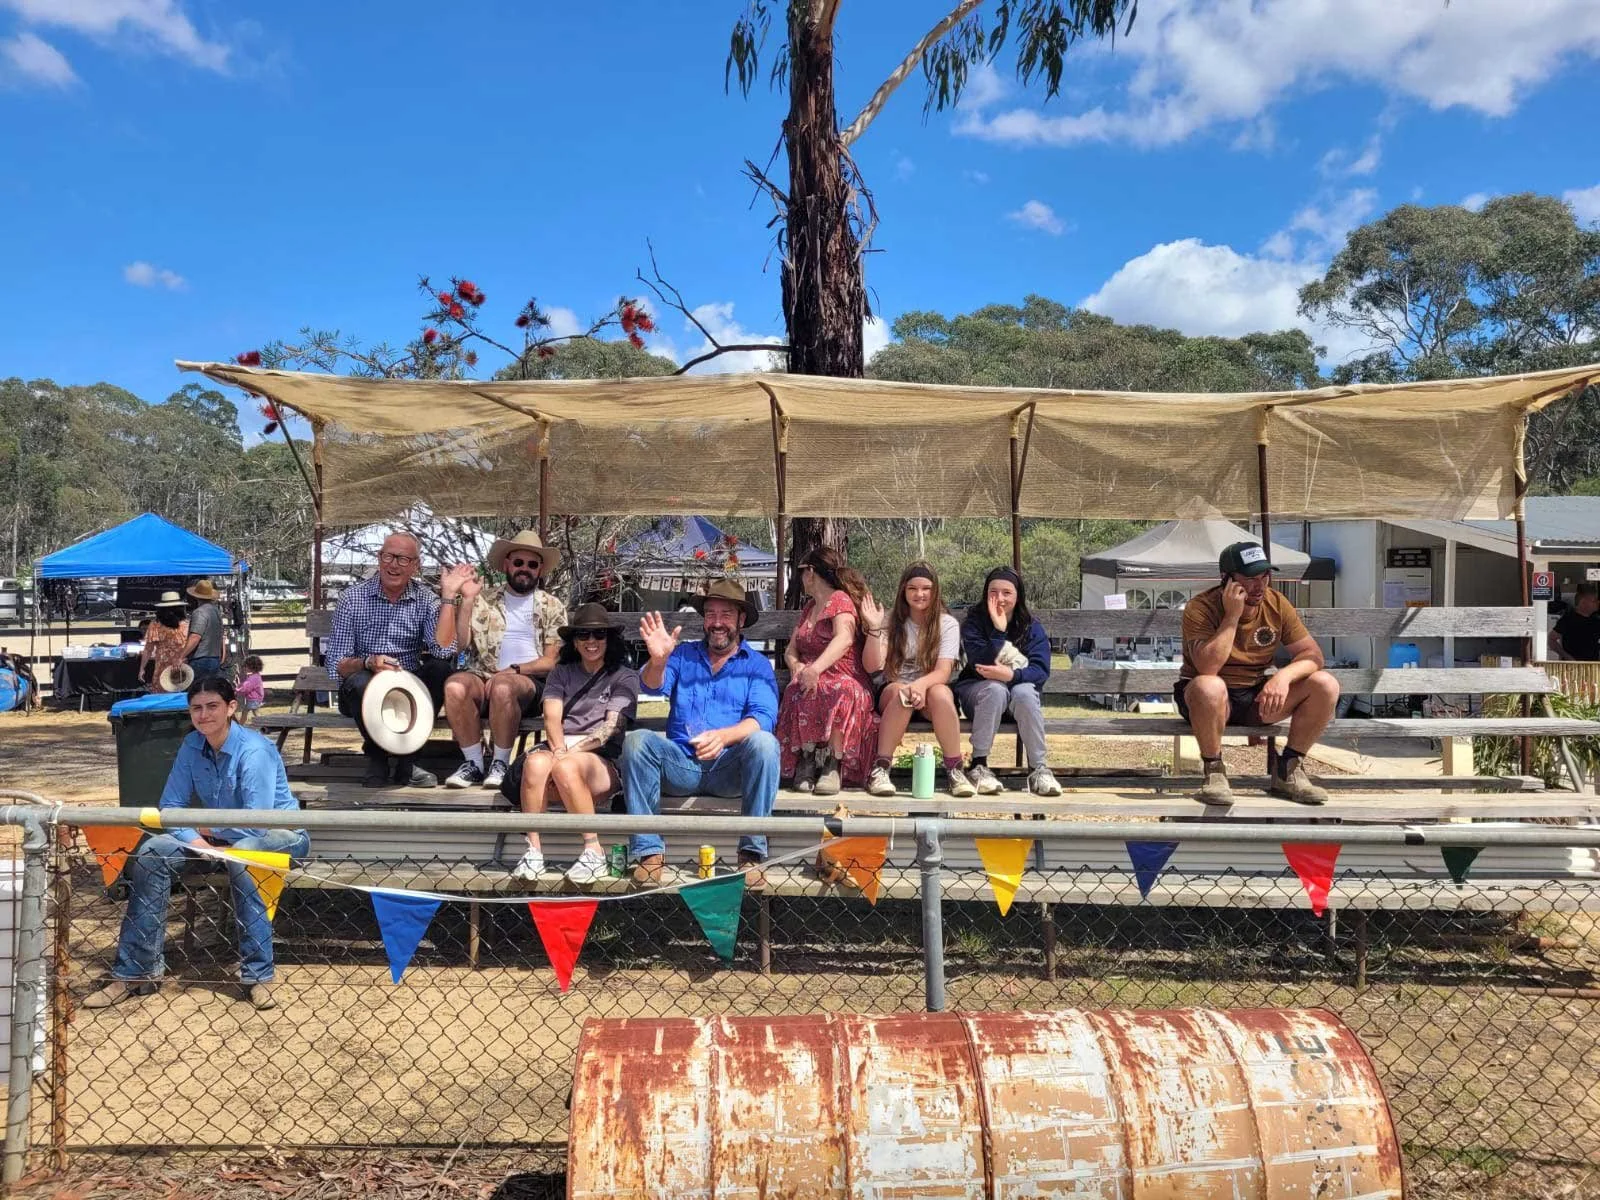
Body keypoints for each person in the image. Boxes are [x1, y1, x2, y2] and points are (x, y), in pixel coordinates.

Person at [83, 676, 309, 1012]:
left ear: (232, 707)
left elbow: (257, 822)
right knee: (151, 853)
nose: (204, 715)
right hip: (215, 840)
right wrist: (199, 840)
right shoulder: (191, 745)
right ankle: (135, 972)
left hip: (280, 837)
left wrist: (202, 828)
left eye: (212, 706)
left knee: (244, 853)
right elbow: (170, 808)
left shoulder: (255, 750)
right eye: (196, 708)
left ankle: (259, 975)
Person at [620, 580, 779, 889]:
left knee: (765, 744)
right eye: (710, 613)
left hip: (730, 768)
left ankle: (751, 853)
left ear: (741, 620)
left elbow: (763, 718)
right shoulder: (682, 656)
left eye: (726, 614)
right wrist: (658, 660)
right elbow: (652, 689)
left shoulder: (757, 665)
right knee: (636, 741)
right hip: (683, 765)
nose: (717, 622)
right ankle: (649, 852)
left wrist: (723, 737)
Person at [1175, 541, 1340, 807]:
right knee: (1209, 686)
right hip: (1205, 699)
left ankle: (1288, 769)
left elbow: (1313, 656)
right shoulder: (1200, 607)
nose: (1259, 585)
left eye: (1264, 576)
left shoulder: (1277, 603)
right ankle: (1214, 771)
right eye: (1250, 578)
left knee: (1325, 684)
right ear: (1226, 579)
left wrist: (1282, 677)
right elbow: (1208, 667)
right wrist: (1232, 617)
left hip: (1254, 693)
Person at [506, 604, 641, 884]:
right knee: (535, 762)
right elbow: (552, 717)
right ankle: (533, 851)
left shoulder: (624, 676)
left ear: (609, 639)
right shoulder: (561, 672)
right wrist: (557, 751)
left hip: (599, 758)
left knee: (565, 767)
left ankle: (593, 850)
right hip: (560, 748)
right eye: (583, 635)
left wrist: (567, 753)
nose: (591, 642)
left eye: (599, 635)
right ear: (574, 641)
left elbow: (610, 729)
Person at [323, 531, 455, 789]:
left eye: (402, 559)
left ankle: (408, 761)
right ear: (379, 558)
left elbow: (443, 650)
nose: (393, 565)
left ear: (415, 566)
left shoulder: (426, 599)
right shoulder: (352, 599)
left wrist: (448, 596)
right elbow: (336, 662)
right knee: (362, 683)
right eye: (388, 556)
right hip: (363, 681)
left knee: (440, 669)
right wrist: (369, 662)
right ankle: (378, 759)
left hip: (406, 683)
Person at [437, 530, 567, 791]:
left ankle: (500, 763)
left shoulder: (552, 605)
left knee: (504, 686)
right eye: (519, 562)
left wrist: (515, 670)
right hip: (483, 674)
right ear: (507, 564)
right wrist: (468, 600)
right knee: (454, 685)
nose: (525, 569)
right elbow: (460, 644)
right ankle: (473, 763)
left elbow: (551, 661)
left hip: (529, 683)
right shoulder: (484, 599)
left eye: (532, 564)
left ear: (540, 570)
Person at [861, 562, 973, 798]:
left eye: (926, 588)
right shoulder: (891, 621)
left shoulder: (947, 624)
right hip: (893, 692)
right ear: (903, 590)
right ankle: (881, 769)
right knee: (902, 694)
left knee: (941, 693)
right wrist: (873, 628)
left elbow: (943, 672)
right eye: (912, 588)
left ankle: (955, 769)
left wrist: (920, 686)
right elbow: (873, 667)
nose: (919, 594)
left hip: (931, 692)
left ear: (935, 592)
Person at [775, 547, 880, 795]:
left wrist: (816, 668)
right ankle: (807, 758)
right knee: (795, 690)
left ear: (811, 572)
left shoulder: (840, 601)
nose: (800, 579)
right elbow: (791, 649)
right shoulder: (809, 608)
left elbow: (844, 638)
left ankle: (833, 762)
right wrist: (797, 666)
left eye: (801, 572)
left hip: (844, 674)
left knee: (838, 689)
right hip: (812, 674)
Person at [954, 566, 1062, 797]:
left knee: (1024, 691)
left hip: (1016, 700)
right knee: (994, 689)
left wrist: (1012, 676)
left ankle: (1038, 769)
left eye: (1007, 593)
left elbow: (1040, 672)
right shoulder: (974, 623)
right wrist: (998, 631)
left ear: (1017, 596)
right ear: (985, 594)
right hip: (979, 695)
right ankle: (979, 765)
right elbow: (980, 664)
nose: (999, 598)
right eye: (993, 592)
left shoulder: (1032, 627)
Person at [138, 592, 190, 693]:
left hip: (163, 667)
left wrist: (142, 668)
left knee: (162, 696)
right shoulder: (187, 625)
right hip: (183, 665)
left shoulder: (155, 625)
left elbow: (148, 649)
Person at [183, 579, 226, 680]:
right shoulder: (216, 612)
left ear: (195, 596)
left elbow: (195, 637)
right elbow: (220, 636)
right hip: (214, 658)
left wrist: (181, 656)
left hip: (201, 659)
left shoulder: (199, 612)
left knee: (197, 691)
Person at [1551, 584, 1600, 661]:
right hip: (1572, 667)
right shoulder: (1568, 619)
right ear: (1583, 602)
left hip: (1592, 667)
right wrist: (1567, 657)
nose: (1598, 602)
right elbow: (1551, 639)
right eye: (1594, 601)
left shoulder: (1596, 621)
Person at [236, 655, 266, 724]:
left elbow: (246, 688)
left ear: (251, 667)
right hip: (256, 698)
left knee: (251, 712)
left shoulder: (252, 678)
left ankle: (241, 724)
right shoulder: (256, 676)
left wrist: (237, 690)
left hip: (254, 699)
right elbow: (246, 685)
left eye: (246, 666)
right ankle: (242, 724)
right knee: (251, 711)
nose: (244, 668)